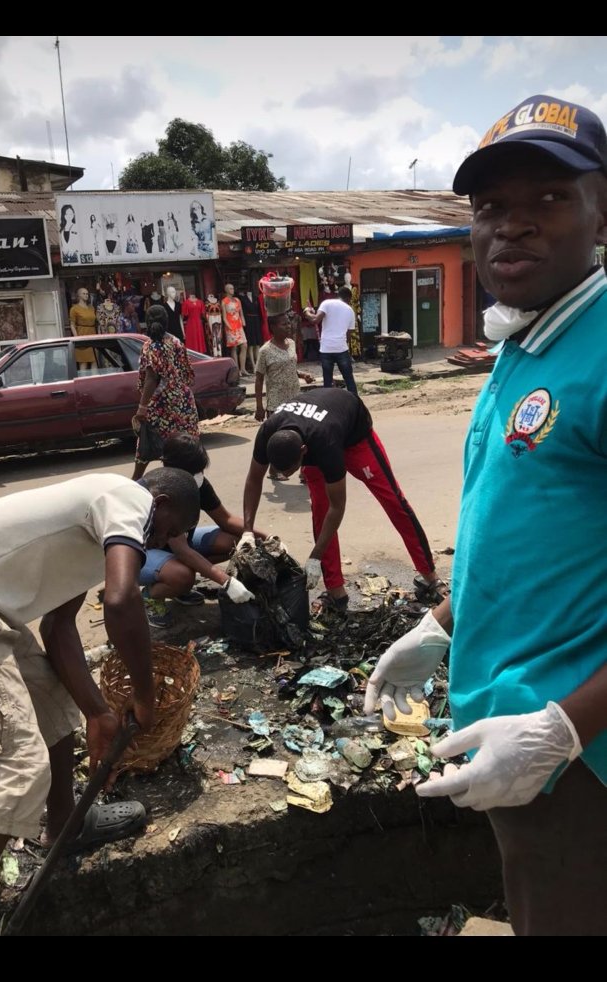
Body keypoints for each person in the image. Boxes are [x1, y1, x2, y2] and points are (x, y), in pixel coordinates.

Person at [364, 94, 607, 937]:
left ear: (600, 209)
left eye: (547, 198)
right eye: (491, 207)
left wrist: (562, 733)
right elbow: (523, 539)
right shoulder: (524, 342)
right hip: (510, 730)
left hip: (578, 753)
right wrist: (439, 625)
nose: (512, 226)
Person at [0, 467, 200, 936]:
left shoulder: (97, 523)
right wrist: (144, 695)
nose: (163, 542)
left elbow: (58, 630)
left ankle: (66, 825)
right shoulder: (129, 500)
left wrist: (98, 713)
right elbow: (119, 603)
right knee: (13, 776)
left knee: (52, 704)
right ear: (159, 502)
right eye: (169, 531)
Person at [242, 387, 444, 611]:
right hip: (318, 433)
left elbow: (338, 507)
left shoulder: (325, 443)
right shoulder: (268, 432)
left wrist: (315, 557)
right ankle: (335, 591)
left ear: (303, 452)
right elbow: (253, 480)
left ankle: (430, 577)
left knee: (393, 501)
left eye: (288, 471)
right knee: (320, 511)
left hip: (354, 436)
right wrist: (247, 531)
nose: (283, 477)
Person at [139, 434, 263, 627]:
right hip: (141, 554)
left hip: (178, 546)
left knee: (234, 542)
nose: (197, 476)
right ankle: (151, 596)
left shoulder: (197, 483)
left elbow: (226, 519)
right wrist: (227, 582)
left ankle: (178, 586)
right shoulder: (162, 491)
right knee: (183, 575)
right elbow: (182, 550)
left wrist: (263, 536)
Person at [132, 304, 199, 483]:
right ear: (167, 322)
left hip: (160, 404)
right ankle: (192, 483)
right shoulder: (176, 342)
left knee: (146, 445)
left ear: (147, 323)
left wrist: (142, 408)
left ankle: (136, 483)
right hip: (182, 402)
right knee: (183, 447)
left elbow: (151, 379)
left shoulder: (150, 346)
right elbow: (187, 374)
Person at [255, 312, 315, 480]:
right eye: (284, 324)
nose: (288, 326)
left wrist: (303, 375)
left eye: (289, 323)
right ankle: (274, 470)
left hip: (295, 399)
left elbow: (289, 368)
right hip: (276, 402)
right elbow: (259, 379)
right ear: (273, 327)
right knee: (279, 440)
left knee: (302, 435)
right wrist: (259, 406)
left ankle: (305, 471)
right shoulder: (265, 351)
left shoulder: (291, 344)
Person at [303, 286, 358, 395]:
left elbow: (314, 319)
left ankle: (327, 405)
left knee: (327, 381)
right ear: (349, 298)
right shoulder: (350, 311)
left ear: (338, 295)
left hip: (326, 349)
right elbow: (348, 335)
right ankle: (356, 402)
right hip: (341, 349)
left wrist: (306, 312)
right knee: (349, 379)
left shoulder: (327, 303)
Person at [222, 284, 249, 378]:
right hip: (230, 325)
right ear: (226, 290)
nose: (232, 290)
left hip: (238, 325)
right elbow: (224, 316)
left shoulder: (237, 300)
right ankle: (237, 369)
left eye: (233, 288)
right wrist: (228, 326)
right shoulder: (224, 301)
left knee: (244, 345)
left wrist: (243, 322)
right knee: (234, 347)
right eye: (230, 288)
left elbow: (241, 312)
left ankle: (243, 368)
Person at [69, 287, 97, 371]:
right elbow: (72, 324)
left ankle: (95, 382)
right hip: (82, 336)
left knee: (94, 361)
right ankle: (83, 383)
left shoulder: (91, 308)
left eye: (87, 293)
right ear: (79, 295)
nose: (86, 295)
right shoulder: (74, 309)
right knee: (83, 363)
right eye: (84, 293)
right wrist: (77, 338)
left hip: (93, 335)